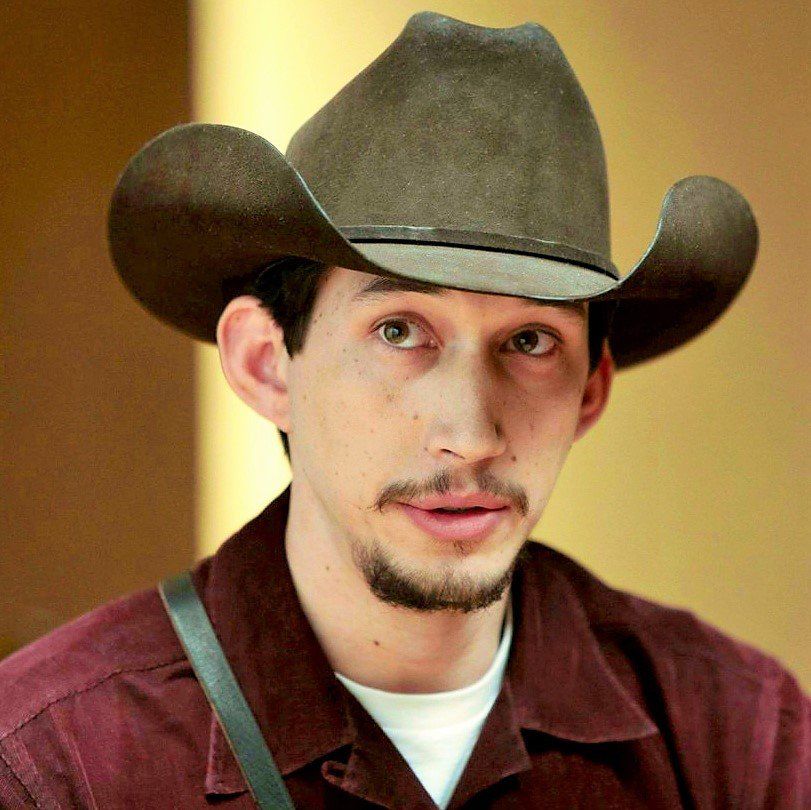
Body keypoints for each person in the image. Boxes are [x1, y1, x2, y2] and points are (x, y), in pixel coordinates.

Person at [0, 11, 807, 809]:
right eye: (399, 331)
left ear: (590, 390)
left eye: (529, 341)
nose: (468, 435)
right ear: (265, 364)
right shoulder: (57, 760)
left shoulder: (735, 737)